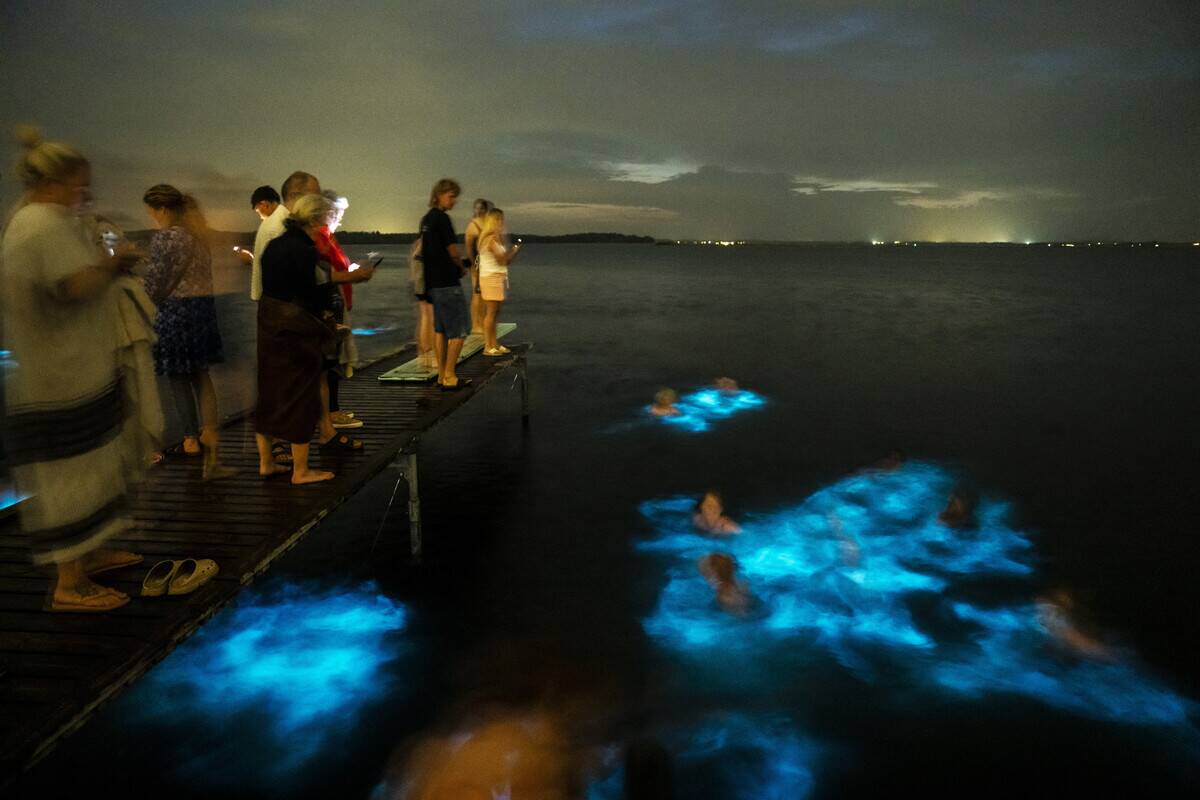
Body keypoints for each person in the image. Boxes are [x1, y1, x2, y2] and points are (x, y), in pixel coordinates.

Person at [0, 127, 147, 611]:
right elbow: (70, 287)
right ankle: (70, 584)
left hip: (74, 369)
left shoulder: (30, 219)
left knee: (96, 464)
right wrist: (115, 263)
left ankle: (91, 556)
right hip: (58, 379)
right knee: (72, 476)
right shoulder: (42, 224)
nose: (85, 194)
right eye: (80, 184)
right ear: (58, 181)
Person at [254, 194, 374, 484]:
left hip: (268, 321)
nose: (333, 224)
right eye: (331, 218)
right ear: (319, 219)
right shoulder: (304, 250)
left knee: (269, 393)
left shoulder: (275, 245)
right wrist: (330, 324)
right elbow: (311, 292)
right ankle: (301, 470)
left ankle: (267, 462)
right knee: (302, 396)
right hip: (295, 328)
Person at [141, 184, 233, 480]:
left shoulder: (164, 239)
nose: (151, 217)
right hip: (202, 311)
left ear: (163, 209)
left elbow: (154, 286)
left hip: (175, 313)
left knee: (177, 376)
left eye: (151, 211)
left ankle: (190, 439)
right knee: (201, 377)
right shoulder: (198, 238)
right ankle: (210, 440)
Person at [314, 190, 362, 431]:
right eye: (338, 214)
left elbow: (334, 267)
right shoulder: (321, 238)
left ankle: (333, 409)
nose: (340, 219)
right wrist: (352, 273)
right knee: (331, 360)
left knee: (335, 359)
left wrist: (349, 268)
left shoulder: (328, 237)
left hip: (339, 302)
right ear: (328, 212)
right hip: (330, 306)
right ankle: (330, 413)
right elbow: (324, 274)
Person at [420, 178, 472, 390]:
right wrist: (461, 266)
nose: (454, 201)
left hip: (432, 283)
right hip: (448, 283)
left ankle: (442, 375)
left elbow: (425, 252)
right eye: (451, 196)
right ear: (439, 195)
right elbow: (452, 251)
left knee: (440, 330)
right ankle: (450, 376)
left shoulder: (426, 220)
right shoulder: (442, 219)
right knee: (460, 330)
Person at [250, 171, 319, 301]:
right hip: (286, 310)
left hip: (274, 307)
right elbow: (287, 277)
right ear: (294, 195)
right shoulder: (281, 226)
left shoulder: (279, 223)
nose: (319, 202)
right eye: (314, 196)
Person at [475, 207, 523, 355]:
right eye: (500, 220)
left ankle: (494, 342)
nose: (502, 223)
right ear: (494, 221)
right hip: (490, 279)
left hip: (497, 278)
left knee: (496, 313)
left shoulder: (495, 239)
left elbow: (503, 262)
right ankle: (488, 346)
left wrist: (511, 252)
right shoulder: (489, 240)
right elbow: (502, 260)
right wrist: (515, 250)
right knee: (491, 313)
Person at [463, 198, 493, 334]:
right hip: (477, 263)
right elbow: (469, 247)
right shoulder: (473, 226)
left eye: (482, 208)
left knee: (484, 295)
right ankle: (476, 325)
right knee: (477, 294)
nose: (479, 210)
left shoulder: (487, 224)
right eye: (477, 208)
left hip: (487, 262)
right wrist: (474, 265)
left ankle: (482, 322)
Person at [233, 185, 280, 267]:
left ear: (265, 205)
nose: (260, 217)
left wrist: (251, 260)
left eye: (258, 210)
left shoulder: (278, 230)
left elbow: (276, 268)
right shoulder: (287, 224)